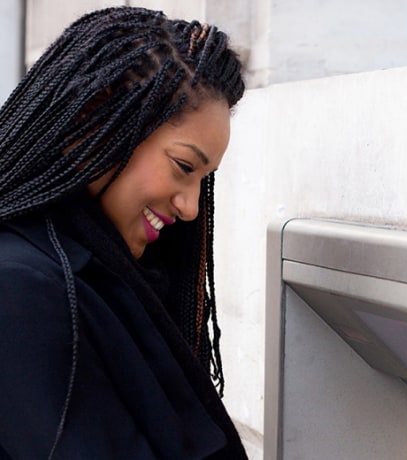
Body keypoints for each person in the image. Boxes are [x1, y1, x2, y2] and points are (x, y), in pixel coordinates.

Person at [0, 6, 248, 459]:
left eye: (202, 180)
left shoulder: (98, 280)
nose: (191, 207)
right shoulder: (21, 290)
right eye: (184, 167)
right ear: (94, 120)